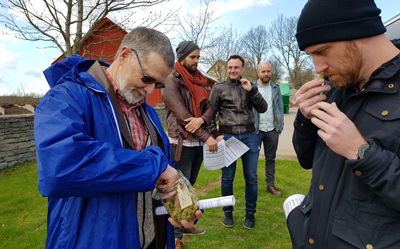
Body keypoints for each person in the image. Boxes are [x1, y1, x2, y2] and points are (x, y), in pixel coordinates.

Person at [34, 27, 202, 249]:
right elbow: (59, 168)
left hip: (152, 239)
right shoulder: (66, 97)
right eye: (147, 78)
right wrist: (153, 166)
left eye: (158, 84)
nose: (150, 90)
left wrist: (183, 205)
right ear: (124, 55)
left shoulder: (146, 110)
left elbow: (164, 173)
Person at [288, 0, 400, 248]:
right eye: (311, 56)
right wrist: (305, 119)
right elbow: (306, 160)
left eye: (322, 51)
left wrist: (361, 152)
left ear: (358, 31)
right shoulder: (335, 88)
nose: (318, 68)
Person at [162, 41, 222, 248]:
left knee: (187, 189)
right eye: (192, 57)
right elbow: (182, 116)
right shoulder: (171, 81)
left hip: (196, 143)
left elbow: (209, 108)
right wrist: (208, 137)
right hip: (180, 143)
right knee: (178, 191)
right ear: (182, 57)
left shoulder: (199, 80)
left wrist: (209, 128)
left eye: (198, 57)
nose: (197, 61)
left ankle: (182, 230)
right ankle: (176, 238)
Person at [209, 55, 268, 229]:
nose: (233, 70)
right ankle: (228, 211)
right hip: (227, 138)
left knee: (251, 178)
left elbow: (263, 108)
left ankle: (250, 213)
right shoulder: (218, 88)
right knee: (227, 178)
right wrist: (215, 134)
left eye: (236, 67)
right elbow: (209, 113)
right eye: (230, 67)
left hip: (250, 137)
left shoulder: (250, 86)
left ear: (243, 68)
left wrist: (251, 90)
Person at [253, 61, 284, 196]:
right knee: (252, 159)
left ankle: (270, 185)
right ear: (258, 72)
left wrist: (280, 126)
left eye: (268, 71)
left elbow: (280, 108)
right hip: (256, 130)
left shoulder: (276, 88)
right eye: (263, 71)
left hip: (272, 130)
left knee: (270, 158)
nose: (266, 74)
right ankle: (251, 186)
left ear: (271, 72)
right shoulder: (251, 87)